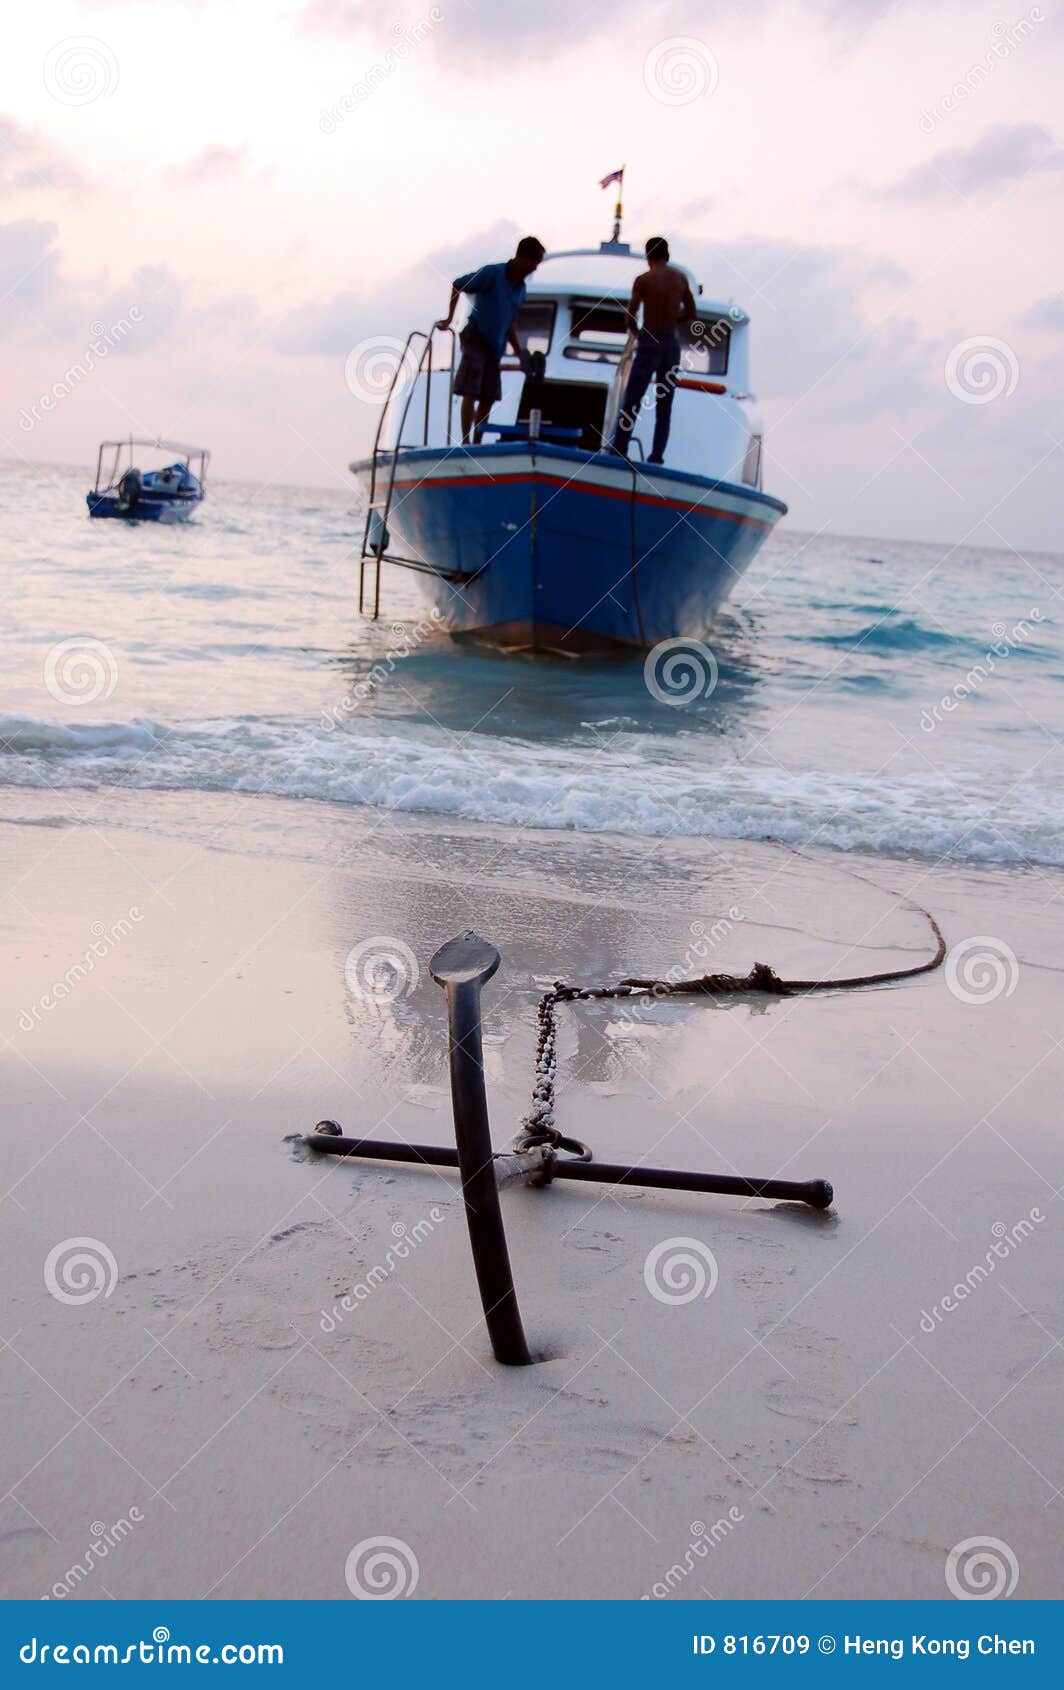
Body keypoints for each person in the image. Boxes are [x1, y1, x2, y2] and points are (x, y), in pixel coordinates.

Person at [436, 236, 546, 443]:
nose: (534, 268)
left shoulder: (521, 289)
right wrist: (450, 318)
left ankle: (477, 442)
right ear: (523, 257)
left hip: (496, 347)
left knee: (489, 396)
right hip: (475, 338)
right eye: (534, 262)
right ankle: (466, 441)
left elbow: (510, 322)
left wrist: (519, 352)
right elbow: (458, 285)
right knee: (471, 390)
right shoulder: (492, 274)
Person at [610, 236, 697, 464]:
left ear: (648, 256)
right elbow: (691, 312)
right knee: (664, 403)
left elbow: (630, 315)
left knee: (634, 399)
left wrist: (636, 331)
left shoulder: (643, 280)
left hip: (649, 341)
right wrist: (673, 318)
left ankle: (620, 448)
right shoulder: (680, 279)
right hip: (671, 344)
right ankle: (657, 455)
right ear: (667, 256)